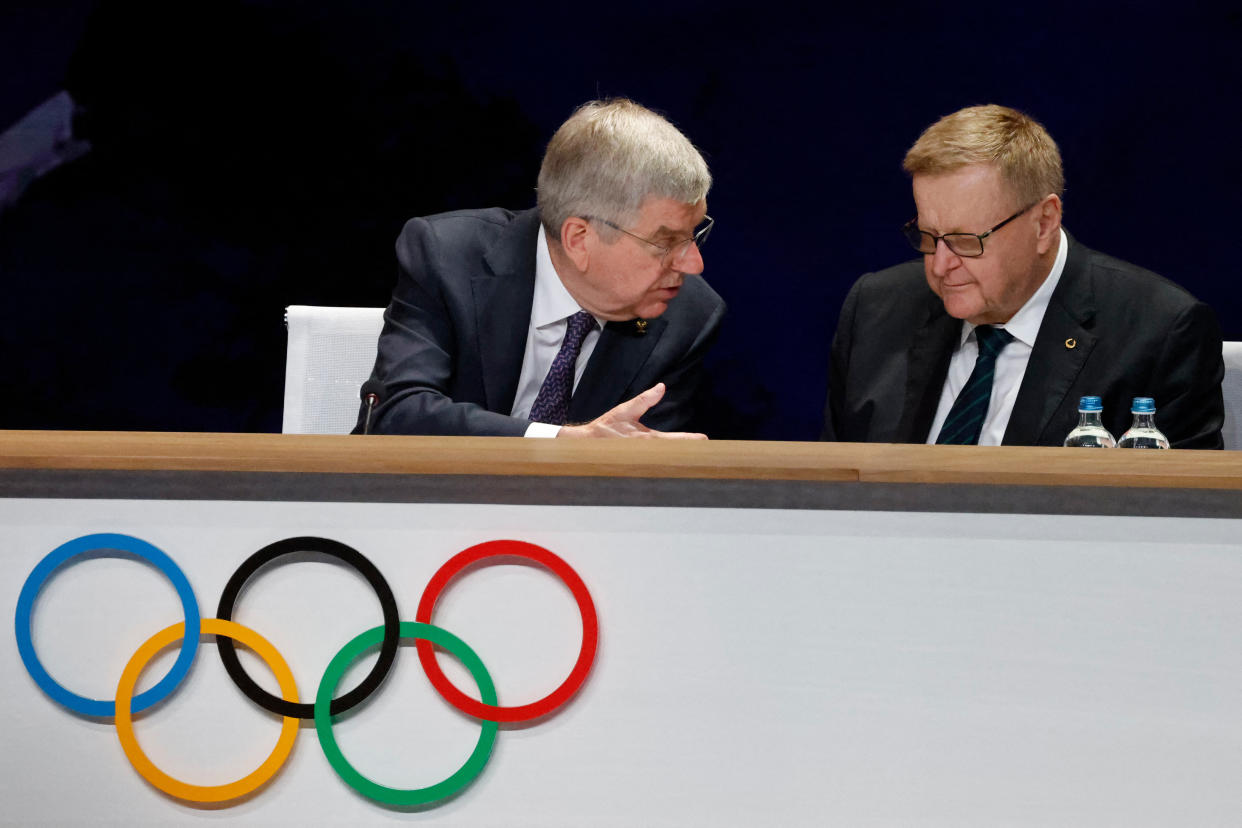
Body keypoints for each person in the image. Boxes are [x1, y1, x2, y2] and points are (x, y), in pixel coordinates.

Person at [821, 104, 1224, 448]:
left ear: (1044, 223)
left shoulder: (1159, 333)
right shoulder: (876, 309)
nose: (941, 265)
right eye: (927, 236)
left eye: (965, 240)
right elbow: (830, 491)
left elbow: (1180, 519)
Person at [358, 98, 724, 439]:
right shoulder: (448, 257)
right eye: (666, 242)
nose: (693, 263)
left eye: (695, 235)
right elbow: (395, 414)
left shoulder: (688, 315)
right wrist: (560, 441)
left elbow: (646, 467)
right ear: (579, 239)